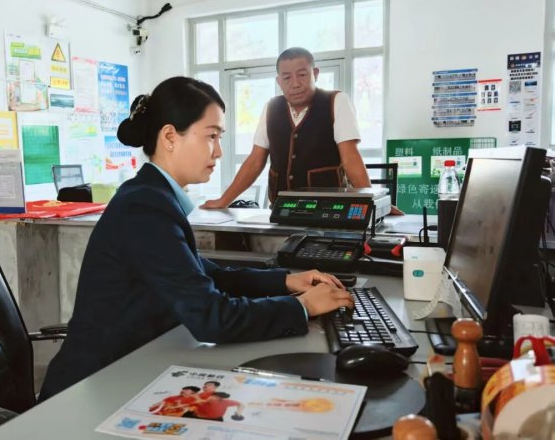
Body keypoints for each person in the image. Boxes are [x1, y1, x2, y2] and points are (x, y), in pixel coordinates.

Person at [39, 76, 354, 402]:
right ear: (170, 137)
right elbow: (211, 318)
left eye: (220, 137)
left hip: (130, 369)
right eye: (211, 136)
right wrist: (302, 307)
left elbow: (210, 276)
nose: (218, 151)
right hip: (90, 389)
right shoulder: (144, 207)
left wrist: (286, 282)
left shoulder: (153, 196)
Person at [202, 47, 400, 213]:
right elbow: (255, 160)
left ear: (315, 74)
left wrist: (375, 203)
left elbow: (351, 159)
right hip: (281, 210)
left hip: (328, 211)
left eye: (302, 75)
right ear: (279, 82)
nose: (295, 84)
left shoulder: (336, 102)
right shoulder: (271, 108)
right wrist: (224, 201)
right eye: (287, 78)